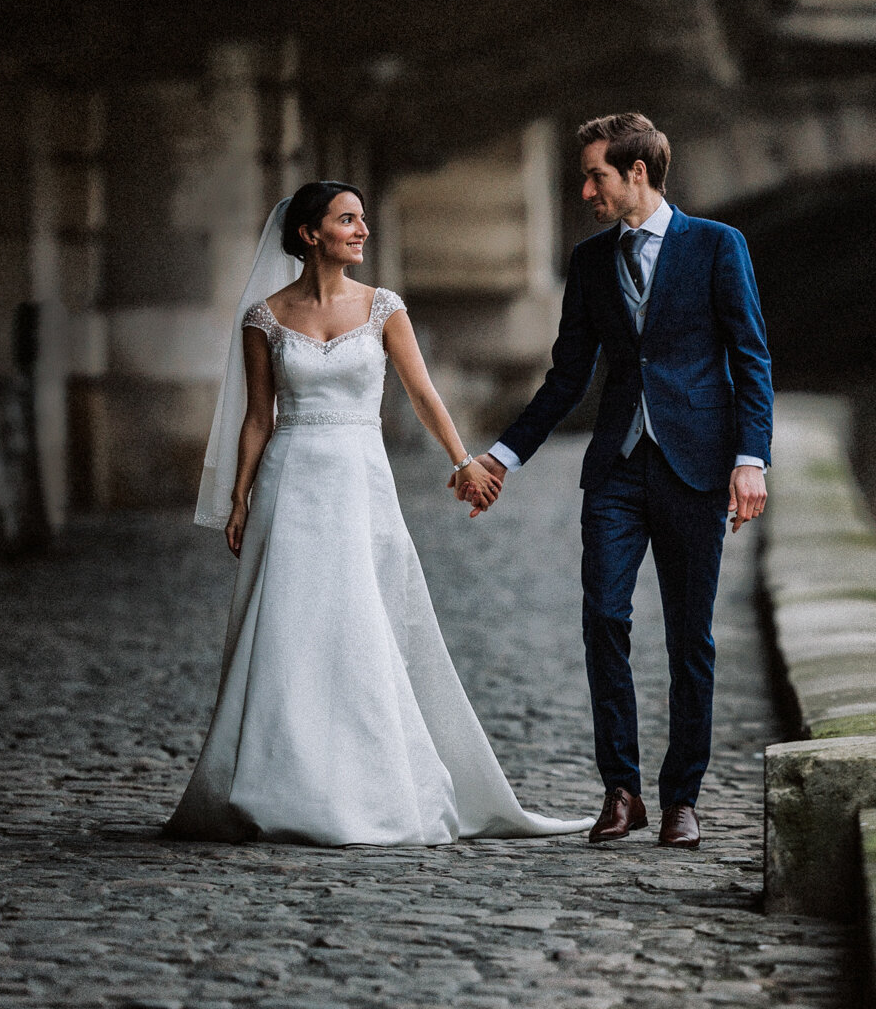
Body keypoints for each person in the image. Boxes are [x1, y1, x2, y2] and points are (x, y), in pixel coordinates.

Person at [165, 181, 590, 846]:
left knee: (362, 622)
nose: (362, 230)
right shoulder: (264, 318)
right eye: (347, 220)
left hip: (360, 483)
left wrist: (464, 460)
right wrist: (239, 497)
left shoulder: (384, 307)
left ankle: (374, 788)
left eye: (362, 219)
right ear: (310, 234)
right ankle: (279, 784)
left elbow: (423, 393)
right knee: (287, 629)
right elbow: (256, 418)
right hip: (290, 480)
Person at [457, 114, 773, 851]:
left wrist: (749, 458)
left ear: (638, 174)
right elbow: (569, 375)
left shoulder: (717, 246)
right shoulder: (592, 260)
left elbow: (750, 357)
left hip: (697, 467)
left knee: (690, 638)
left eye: (596, 174)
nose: (585, 187)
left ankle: (681, 800)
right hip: (617, 472)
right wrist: (504, 453)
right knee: (604, 615)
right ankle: (620, 790)